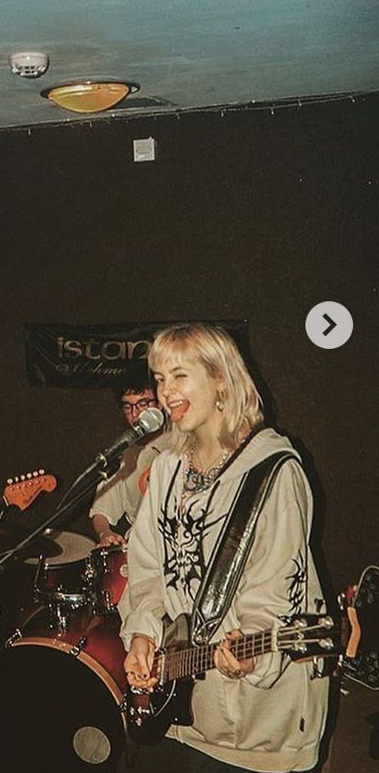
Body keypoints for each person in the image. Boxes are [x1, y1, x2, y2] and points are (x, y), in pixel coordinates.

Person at [121, 324, 328, 773]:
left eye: (179, 376)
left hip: (249, 722)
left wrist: (250, 652)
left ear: (221, 380)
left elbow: (277, 588)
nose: (164, 392)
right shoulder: (167, 470)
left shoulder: (273, 473)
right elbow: (147, 567)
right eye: (159, 378)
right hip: (174, 699)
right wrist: (142, 633)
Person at [89, 367, 170, 548]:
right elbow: (101, 511)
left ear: (160, 404)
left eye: (143, 404)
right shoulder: (123, 454)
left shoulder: (181, 442)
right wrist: (106, 533)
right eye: (128, 406)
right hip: (140, 550)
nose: (135, 415)